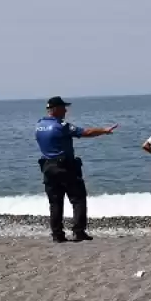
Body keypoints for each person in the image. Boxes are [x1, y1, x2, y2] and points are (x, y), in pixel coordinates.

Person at [34, 96, 117, 243]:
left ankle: (57, 234)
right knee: (78, 199)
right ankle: (79, 232)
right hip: (64, 167)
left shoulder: (39, 125)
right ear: (55, 109)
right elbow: (86, 132)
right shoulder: (61, 126)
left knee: (55, 202)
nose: (66, 110)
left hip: (47, 167)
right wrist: (104, 130)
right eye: (63, 107)